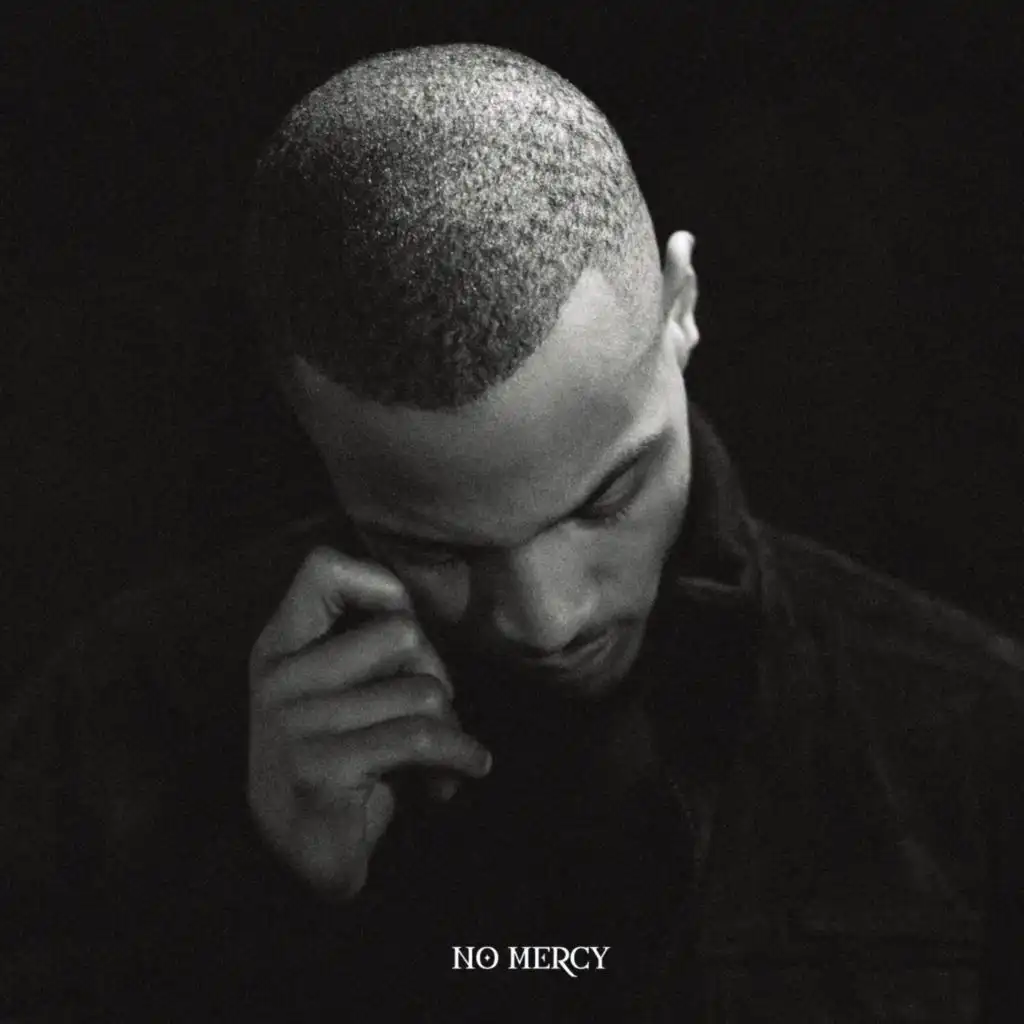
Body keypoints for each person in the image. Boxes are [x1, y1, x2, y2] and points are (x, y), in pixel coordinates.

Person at [3, 41, 1022, 1023]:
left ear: (681, 306)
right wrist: (266, 904)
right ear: (307, 425)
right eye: (434, 547)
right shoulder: (109, 727)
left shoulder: (972, 732)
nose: (547, 619)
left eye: (605, 500)